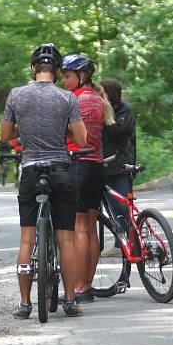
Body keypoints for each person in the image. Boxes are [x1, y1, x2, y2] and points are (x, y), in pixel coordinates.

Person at [1, 43, 87, 319]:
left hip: (31, 169)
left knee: (27, 239)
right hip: (60, 169)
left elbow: (5, 136)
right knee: (66, 239)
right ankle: (70, 300)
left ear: (32, 69)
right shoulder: (68, 99)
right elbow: (82, 139)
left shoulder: (16, 95)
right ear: (58, 70)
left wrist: (23, 128)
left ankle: (25, 303)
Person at [60, 54, 114, 303]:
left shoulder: (75, 100)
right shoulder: (98, 99)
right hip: (96, 167)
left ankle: (79, 287)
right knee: (90, 228)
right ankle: (87, 284)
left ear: (82, 76)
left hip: (79, 164)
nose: (63, 81)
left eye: (67, 76)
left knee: (80, 228)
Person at [100, 79, 135, 254]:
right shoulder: (103, 110)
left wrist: (105, 113)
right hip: (103, 163)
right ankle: (120, 242)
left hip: (121, 164)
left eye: (102, 93)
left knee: (120, 205)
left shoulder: (124, 110)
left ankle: (124, 243)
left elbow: (116, 131)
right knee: (109, 207)